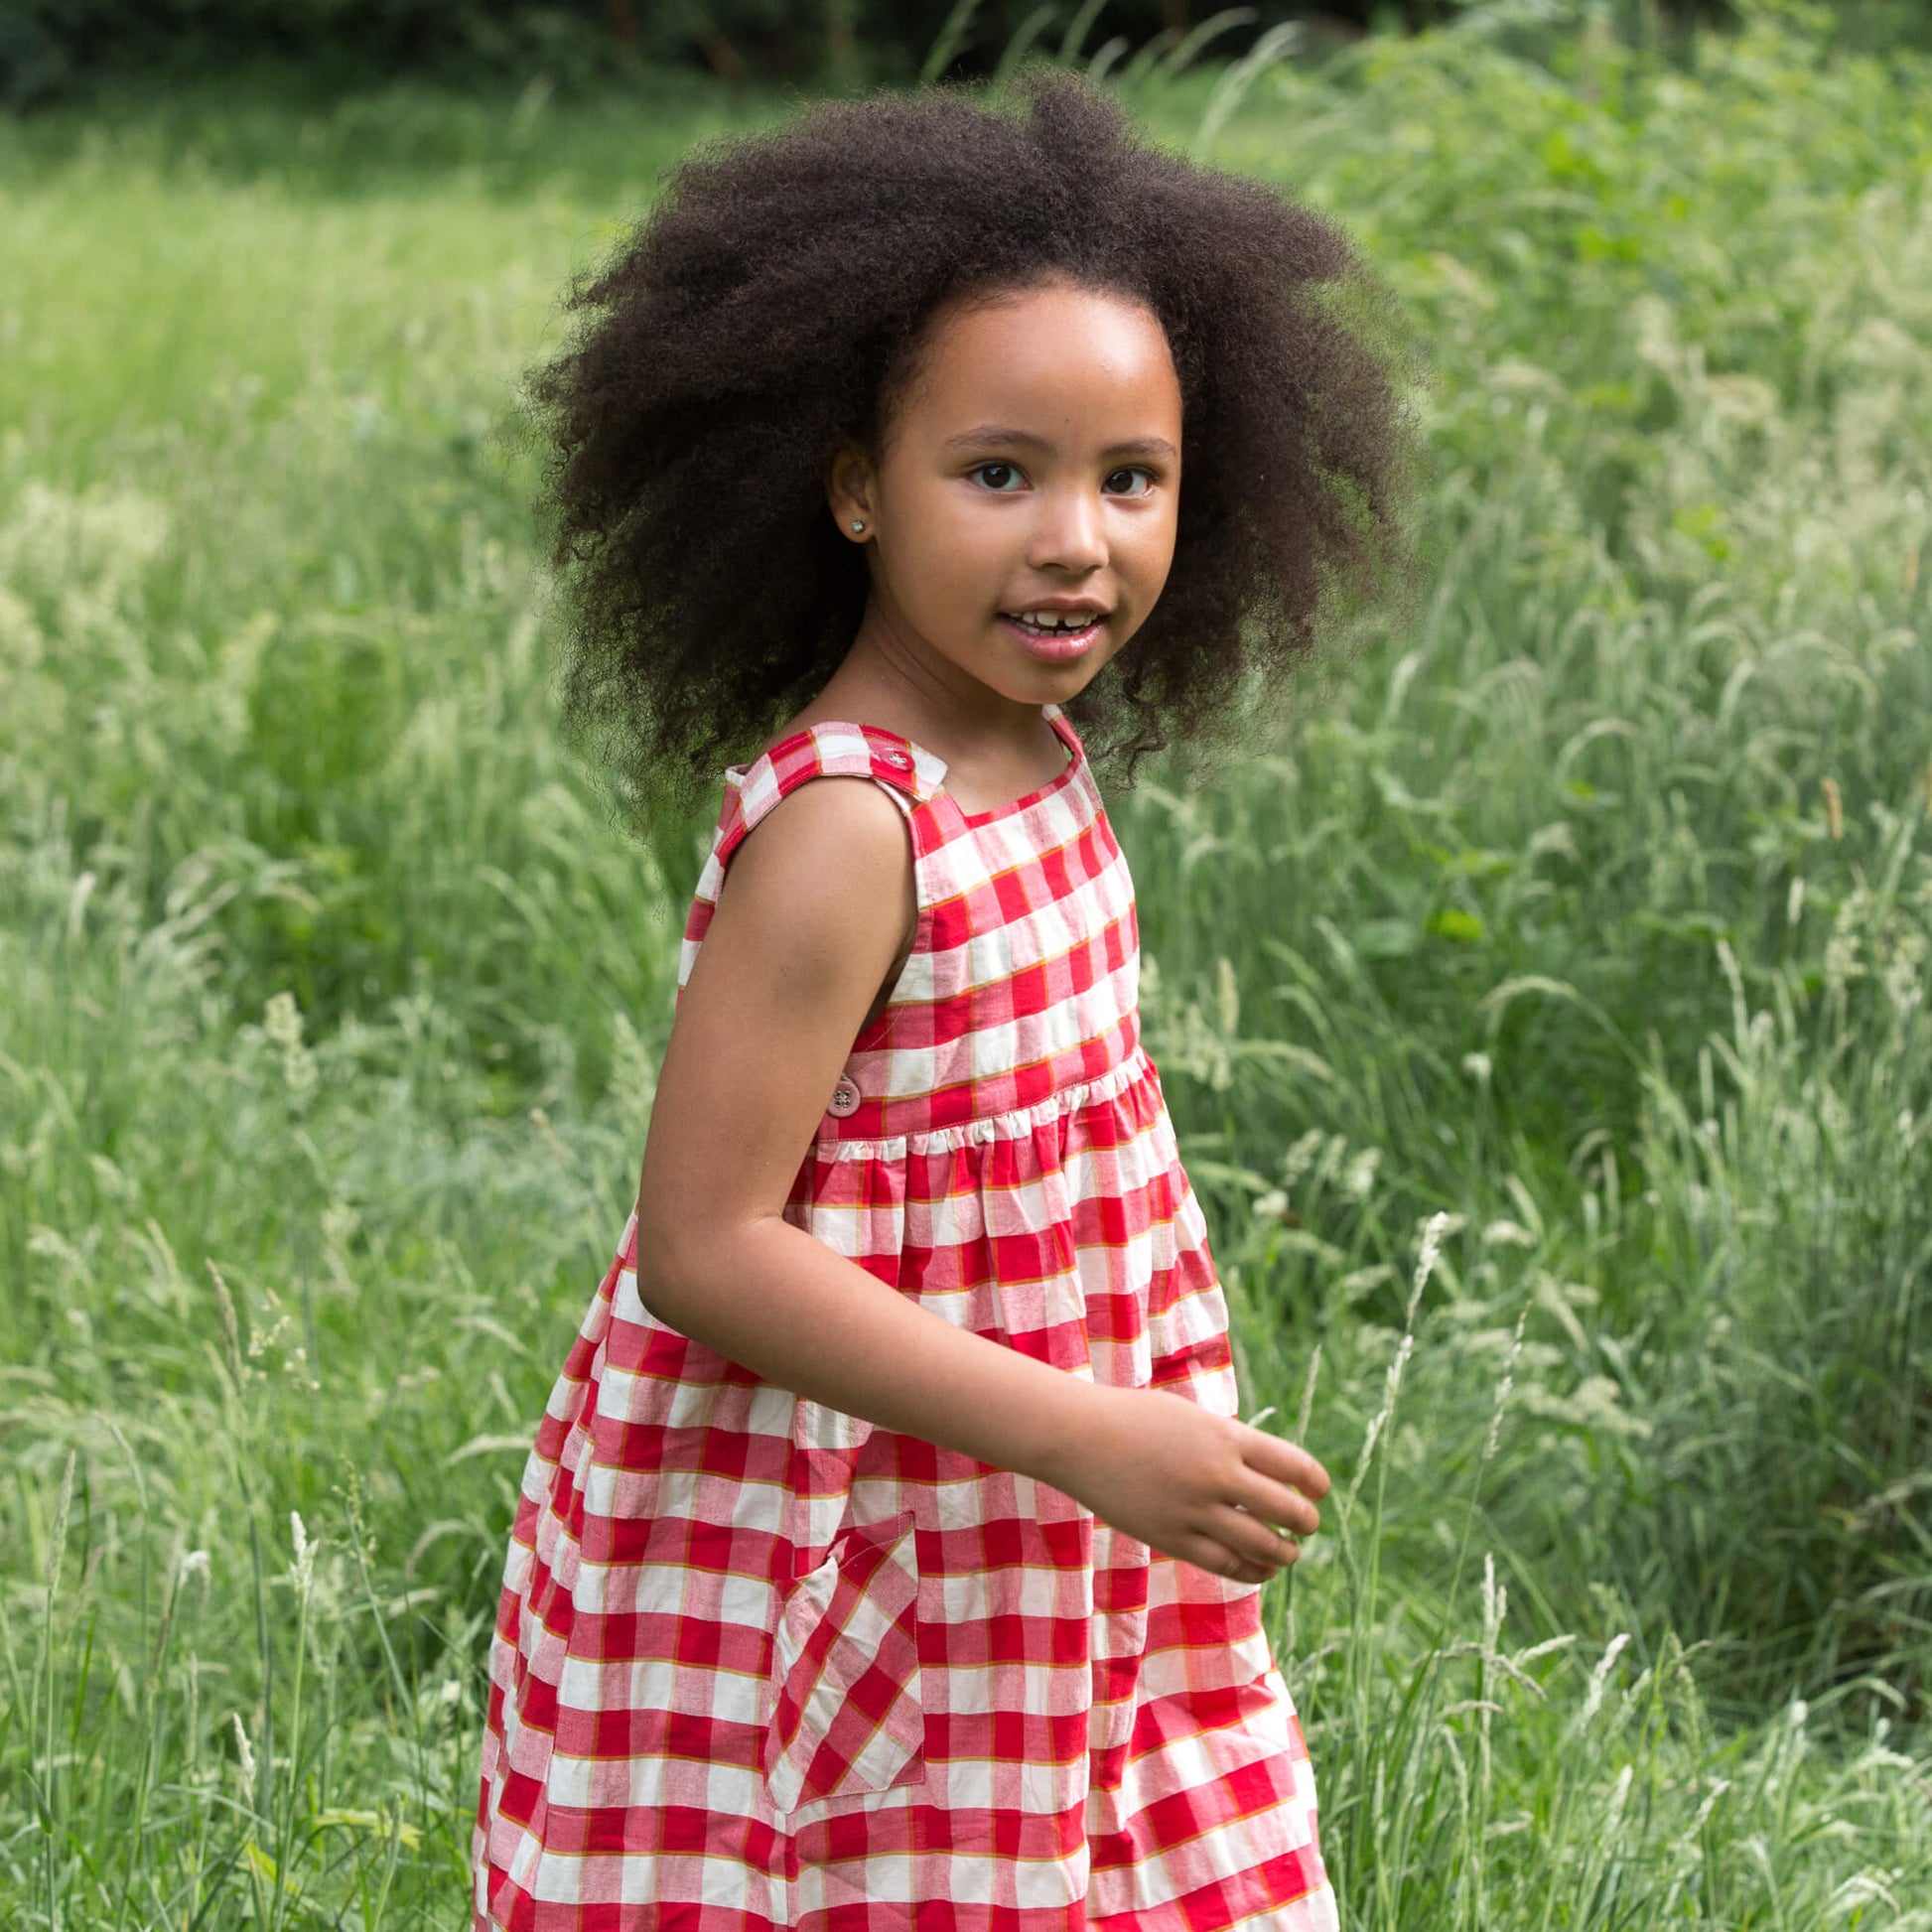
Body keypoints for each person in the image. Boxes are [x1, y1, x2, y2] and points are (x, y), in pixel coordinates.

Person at [472, 63, 1413, 1932]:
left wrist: (1107, 1423)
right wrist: (1080, 1428)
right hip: (834, 1522)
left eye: (1128, 478)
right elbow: (707, 1244)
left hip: (1024, 1514)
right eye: (998, 473)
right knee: (863, 1867)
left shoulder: (1036, 759)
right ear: (848, 487)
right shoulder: (849, 823)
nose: (1075, 536)